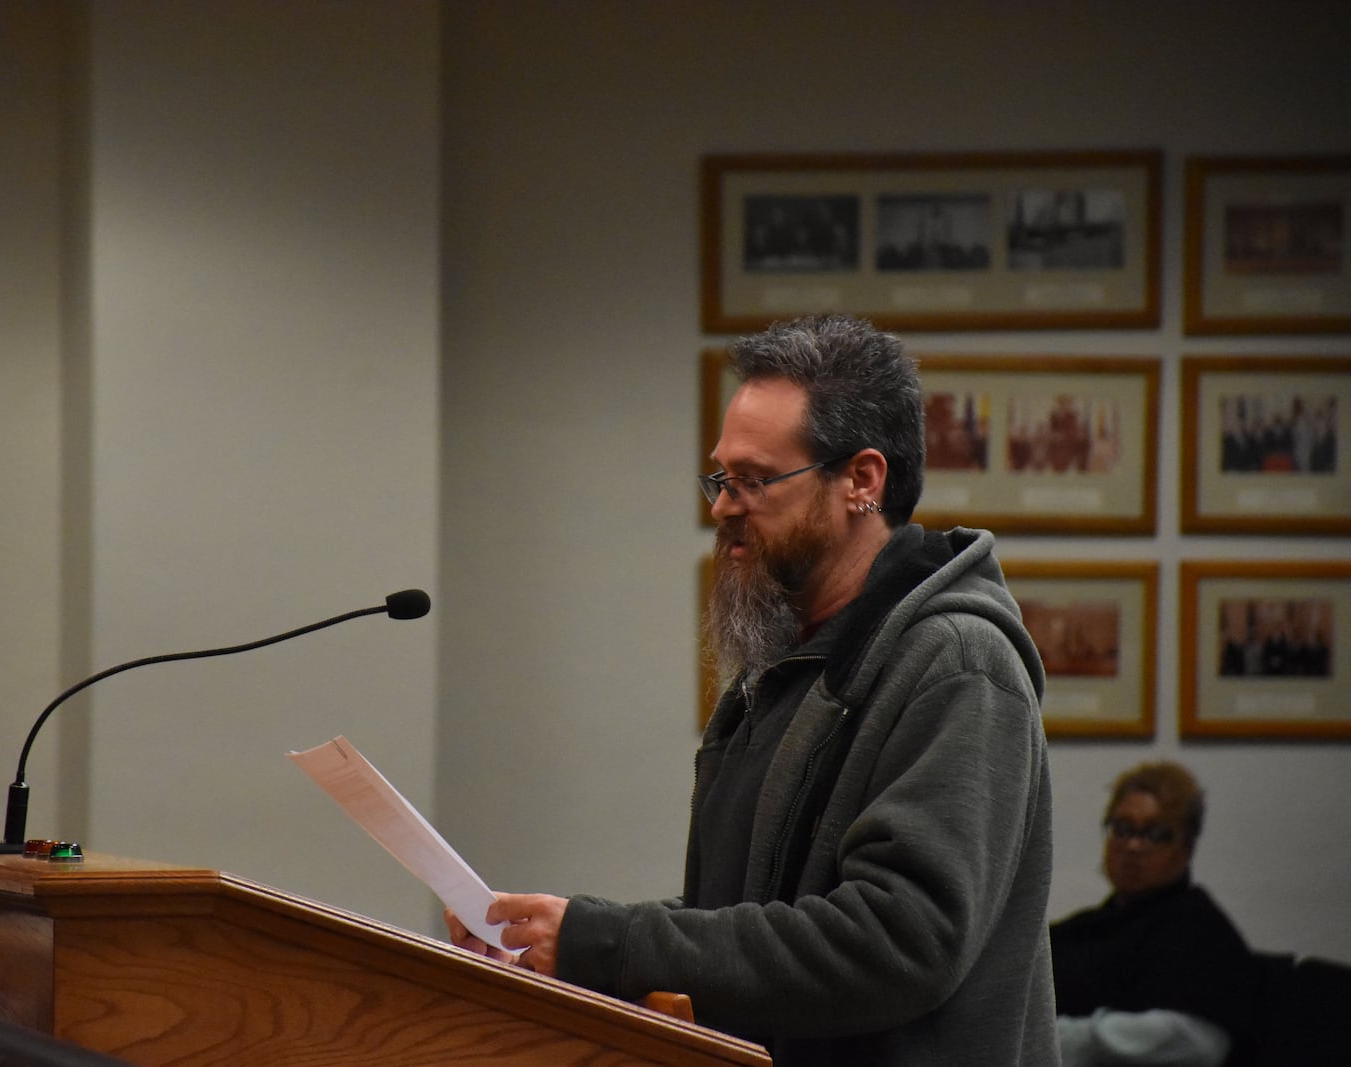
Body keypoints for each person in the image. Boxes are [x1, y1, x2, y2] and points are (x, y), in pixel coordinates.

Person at [446, 314, 1059, 1065]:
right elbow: (743, 920)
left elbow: (902, 938)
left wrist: (610, 944)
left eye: (755, 480)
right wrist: (560, 942)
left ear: (862, 481)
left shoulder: (957, 663)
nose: (722, 507)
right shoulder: (785, 667)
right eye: (721, 477)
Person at [1050, 761, 1258, 1066]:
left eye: (1155, 833)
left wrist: (1057, 1038)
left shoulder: (1200, 930)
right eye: (1122, 829)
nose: (1133, 846)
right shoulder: (1081, 930)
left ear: (1186, 849)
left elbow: (1197, 1045)